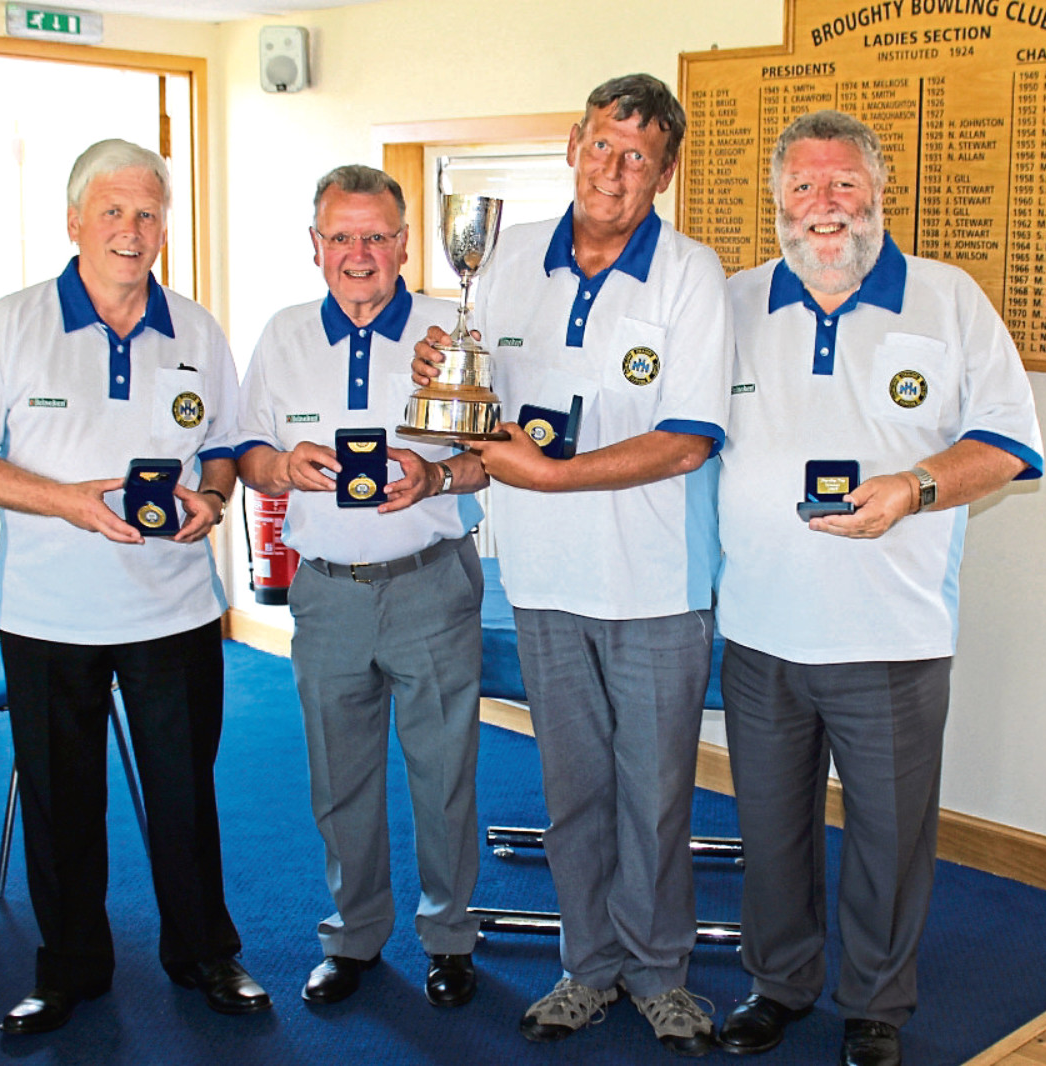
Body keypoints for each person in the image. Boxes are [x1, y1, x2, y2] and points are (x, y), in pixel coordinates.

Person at [713, 111, 1045, 1066]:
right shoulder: (732, 302)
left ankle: (874, 1004)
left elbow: (1011, 447)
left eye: (845, 185)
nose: (826, 207)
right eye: (805, 187)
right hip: (762, 630)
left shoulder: (948, 301)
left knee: (889, 839)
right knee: (770, 830)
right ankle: (778, 984)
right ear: (777, 200)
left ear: (881, 196)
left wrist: (913, 488)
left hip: (891, 634)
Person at [414, 73, 733, 1056]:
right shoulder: (502, 260)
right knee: (573, 792)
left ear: (665, 172)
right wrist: (443, 378)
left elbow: (687, 440)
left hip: (654, 585)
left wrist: (549, 478)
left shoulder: (690, 273)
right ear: (572, 144)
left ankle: (660, 971)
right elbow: (491, 421)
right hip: (543, 582)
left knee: (654, 792)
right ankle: (588, 967)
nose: (615, 168)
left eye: (639, 155)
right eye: (603, 144)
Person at [0, 138, 270, 1035]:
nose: (131, 230)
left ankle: (204, 954)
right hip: (48, 615)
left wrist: (214, 497)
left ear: (165, 228)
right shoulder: (13, 323)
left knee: (184, 798)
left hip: (175, 610)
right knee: (61, 803)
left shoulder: (195, 327)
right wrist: (64, 503)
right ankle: (71, 968)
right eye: (113, 210)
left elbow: (228, 447)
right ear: (74, 219)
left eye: (149, 213)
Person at [235, 164, 487, 1010]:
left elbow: (500, 452)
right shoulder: (282, 336)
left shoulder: (458, 331)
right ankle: (354, 935)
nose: (359, 253)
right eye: (340, 236)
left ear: (406, 244)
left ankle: (450, 937)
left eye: (376, 235)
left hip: (430, 585)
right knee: (339, 777)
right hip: (327, 595)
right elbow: (247, 451)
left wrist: (437, 474)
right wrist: (277, 467)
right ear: (315, 247)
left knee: (443, 774)